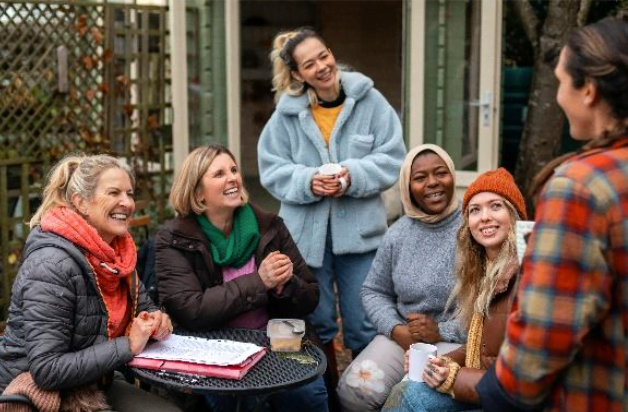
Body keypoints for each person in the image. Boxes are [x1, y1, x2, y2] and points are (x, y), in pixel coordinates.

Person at [477, 16, 628, 412]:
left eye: (561, 82)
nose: (559, 95)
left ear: (589, 91)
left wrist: (499, 391)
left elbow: (542, 339)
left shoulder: (580, 187)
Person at [257, 28, 406, 360]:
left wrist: (353, 176)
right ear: (298, 74)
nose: (322, 66)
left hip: (361, 236)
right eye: (309, 64)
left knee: (365, 322)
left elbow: (394, 156)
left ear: (331, 52)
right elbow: (271, 167)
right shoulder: (286, 113)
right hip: (306, 239)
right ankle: (326, 398)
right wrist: (308, 181)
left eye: (324, 56)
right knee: (316, 322)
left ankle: (363, 394)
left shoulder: (370, 100)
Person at [154, 144, 327, 412]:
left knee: (307, 396)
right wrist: (260, 282)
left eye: (234, 170)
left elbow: (310, 298)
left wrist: (285, 285)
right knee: (232, 403)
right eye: (219, 173)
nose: (232, 177)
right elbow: (191, 310)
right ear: (198, 191)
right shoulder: (175, 238)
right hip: (213, 351)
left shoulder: (270, 226)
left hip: (275, 344)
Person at [0, 154, 180, 412]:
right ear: (80, 202)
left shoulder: (118, 257)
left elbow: (145, 309)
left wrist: (157, 320)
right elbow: (47, 370)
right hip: (39, 395)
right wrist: (129, 345)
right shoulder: (51, 265)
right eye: (114, 192)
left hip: (96, 382)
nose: (127, 203)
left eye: (130, 193)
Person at [382, 168, 527, 412]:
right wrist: (438, 363)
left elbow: (521, 376)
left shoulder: (525, 277)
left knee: (410, 397)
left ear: (515, 216)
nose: (484, 217)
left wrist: (453, 378)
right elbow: (479, 351)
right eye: (475, 210)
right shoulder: (485, 272)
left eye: (496, 206)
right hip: (484, 388)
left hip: (506, 402)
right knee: (407, 389)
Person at [336, 144, 466, 411]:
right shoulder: (398, 233)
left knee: (408, 400)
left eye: (440, 173)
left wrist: (440, 330)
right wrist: (397, 330)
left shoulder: (472, 227)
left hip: (455, 341)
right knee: (354, 391)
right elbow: (373, 291)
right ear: (408, 185)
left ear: (453, 175)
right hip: (403, 336)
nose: (432, 183)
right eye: (420, 178)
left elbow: (488, 308)